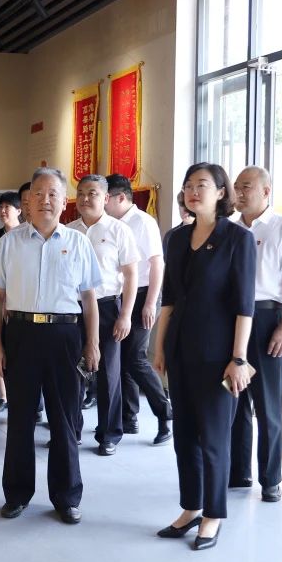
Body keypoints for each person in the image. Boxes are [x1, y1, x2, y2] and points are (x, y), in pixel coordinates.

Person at [0, 167, 102, 524]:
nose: (45, 200)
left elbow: (89, 298)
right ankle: (17, 493)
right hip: (21, 334)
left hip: (65, 336)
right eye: (39, 193)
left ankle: (66, 497)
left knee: (65, 420)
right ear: (28, 201)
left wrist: (93, 343)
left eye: (53, 194)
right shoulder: (10, 243)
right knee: (20, 418)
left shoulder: (78, 242)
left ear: (64, 201)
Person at [154, 163, 255, 550]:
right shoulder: (177, 238)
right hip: (180, 347)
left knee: (214, 438)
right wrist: (160, 347)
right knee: (184, 436)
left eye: (202, 185)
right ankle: (191, 507)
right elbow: (169, 298)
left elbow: (244, 306)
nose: (193, 191)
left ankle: (213, 514)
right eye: (188, 186)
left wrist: (239, 358)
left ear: (221, 192)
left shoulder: (238, 238)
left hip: (219, 353)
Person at [227, 167, 282, 503]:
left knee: (269, 403)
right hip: (231, 320)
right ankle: (237, 471)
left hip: (267, 318)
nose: (239, 193)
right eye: (236, 187)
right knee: (233, 397)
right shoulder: (229, 228)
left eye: (246, 187)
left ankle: (271, 478)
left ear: (266, 191)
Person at [68, 175, 139, 455]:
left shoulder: (119, 230)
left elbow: (131, 275)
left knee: (109, 373)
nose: (85, 198)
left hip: (108, 307)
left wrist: (126, 315)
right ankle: (71, 430)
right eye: (80, 193)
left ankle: (109, 434)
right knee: (72, 372)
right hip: (74, 309)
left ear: (106, 198)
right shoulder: (69, 231)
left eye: (93, 193)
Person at [104, 174, 173, 445]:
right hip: (119, 296)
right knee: (121, 358)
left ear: (121, 197)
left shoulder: (143, 222)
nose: (103, 202)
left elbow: (157, 264)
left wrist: (150, 303)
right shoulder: (110, 224)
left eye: (106, 197)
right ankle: (129, 416)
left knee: (135, 358)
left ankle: (165, 414)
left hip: (143, 295)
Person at [0, 190, 22, 412]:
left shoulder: (27, 234)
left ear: (19, 210)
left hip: (19, 299)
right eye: (0, 207)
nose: (2, 211)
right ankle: (3, 395)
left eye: (7, 207)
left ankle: (20, 395)